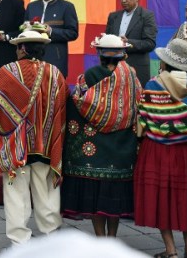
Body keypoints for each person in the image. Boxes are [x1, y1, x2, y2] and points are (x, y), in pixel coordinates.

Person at [0, 25, 68, 245]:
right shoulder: (56, 74)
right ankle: (52, 240)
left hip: (15, 147)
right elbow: (61, 110)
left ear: (21, 48)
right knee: (48, 196)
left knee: (16, 198)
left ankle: (19, 244)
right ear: (42, 50)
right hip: (46, 146)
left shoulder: (7, 72)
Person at [135, 39, 187, 258]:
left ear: (165, 63)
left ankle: (170, 250)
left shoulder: (154, 84)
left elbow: (144, 115)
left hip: (158, 150)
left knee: (162, 198)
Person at [61, 34, 142, 238]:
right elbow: (139, 103)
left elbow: (77, 100)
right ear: (123, 55)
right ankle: (112, 239)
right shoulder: (131, 76)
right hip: (121, 148)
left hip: (94, 148)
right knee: (113, 198)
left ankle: (99, 239)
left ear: (100, 54)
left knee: (97, 200)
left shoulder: (90, 75)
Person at [24, 0, 78, 77]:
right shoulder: (31, 7)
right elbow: (25, 28)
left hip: (56, 59)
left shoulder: (67, 7)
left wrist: (51, 31)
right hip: (32, 59)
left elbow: (73, 33)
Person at [105, 0, 158, 86]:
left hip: (137, 69)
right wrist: (101, 42)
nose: (123, 0)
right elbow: (108, 40)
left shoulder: (147, 16)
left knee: (136, 101)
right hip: (113, 68)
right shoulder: (113, 16)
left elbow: (150, 43)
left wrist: (128, 42)